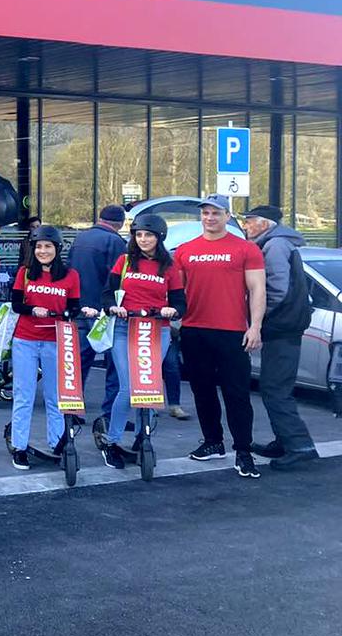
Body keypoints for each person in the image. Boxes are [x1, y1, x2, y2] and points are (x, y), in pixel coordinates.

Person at [174, 195, 266, 479]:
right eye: (205, 213)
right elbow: (176, 292)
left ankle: (243, 451)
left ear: (227, 216)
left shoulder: (246, 248)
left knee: (236, 394)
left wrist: (255, 326)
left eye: (216, 213)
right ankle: (213, 441)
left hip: (232, 332)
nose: (210, 218)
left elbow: (258, 289)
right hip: (194, 330)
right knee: (202, 391)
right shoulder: (185, 251)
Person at [99, 212, 186, 469]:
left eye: (149, 235)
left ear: (159, 237)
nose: (143, 239)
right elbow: (107, 294)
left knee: (147, 388)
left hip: (156, 330)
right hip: (125, 328)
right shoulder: (125, 261)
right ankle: (112, 440)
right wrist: (113, 307)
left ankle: (142, 436)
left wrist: (172, 310)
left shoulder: (169, 267)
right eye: (139, 235)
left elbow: (180, 303)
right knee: (128, 388)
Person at [241, 205, 320, 470]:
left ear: (264, 224)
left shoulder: (275, 246)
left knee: (275, 388)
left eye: (249, 221)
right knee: (274, 386)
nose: (246, 226)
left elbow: (276, 289)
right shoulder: (280, 243)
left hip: (281, 327)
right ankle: (284, 440)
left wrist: (258, 317)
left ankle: (299, 446)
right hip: (286, 326)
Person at [7, 225, 83, 469]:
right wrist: (33, 309)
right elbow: (16, 304)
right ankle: (19, 447)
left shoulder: (70, 275)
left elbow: (74, 306)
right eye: (38, 247)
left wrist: (76, 312)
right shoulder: (25, 272)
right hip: (26, 340)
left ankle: (57, 443)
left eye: (48, 246)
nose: (42, 251)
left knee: (55, 396)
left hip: (55, 340)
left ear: (57, 248)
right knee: (24, 395)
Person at [67, 204, 127, 428]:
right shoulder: (116, 242)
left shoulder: (80, 238)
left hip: (80, 308)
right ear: (119, 223)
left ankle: (72, 410)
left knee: (79, 362)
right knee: (114, 364)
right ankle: (110, 414)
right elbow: (118, 279)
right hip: (105, 313)